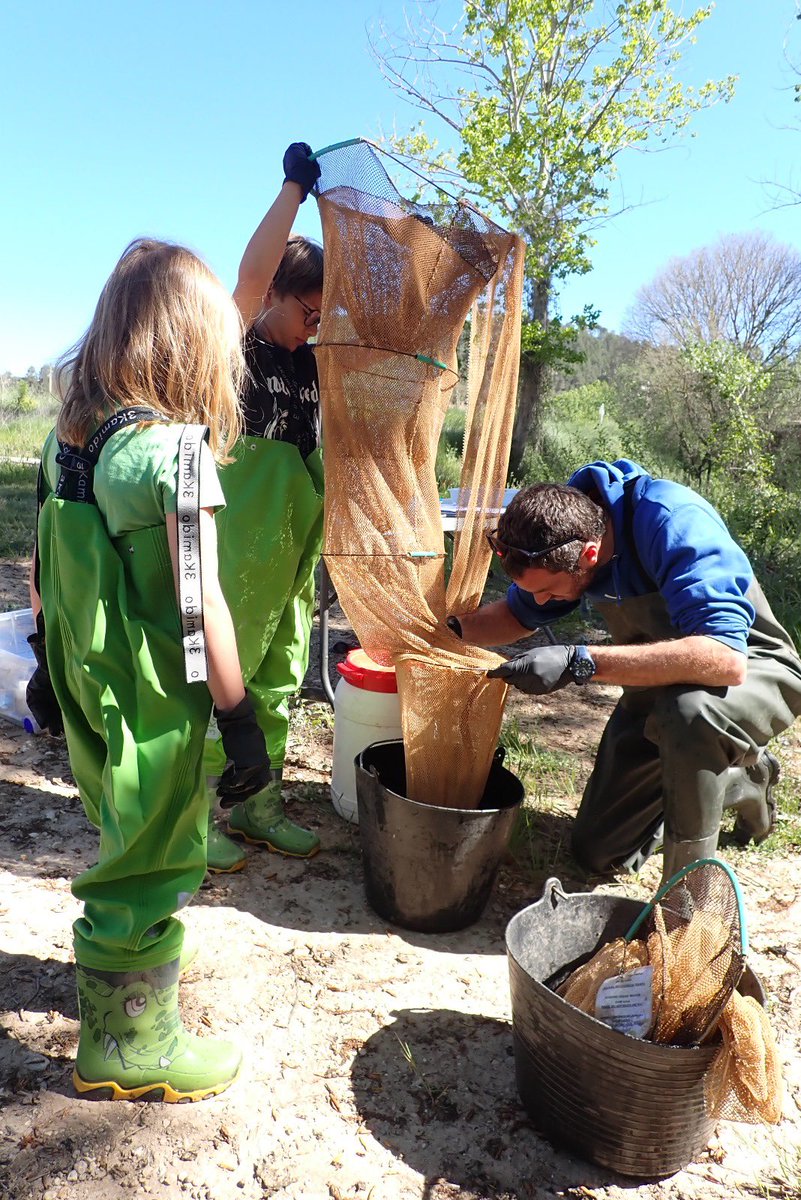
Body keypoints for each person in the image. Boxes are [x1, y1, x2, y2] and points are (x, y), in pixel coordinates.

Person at [29, 239, 271, 1101]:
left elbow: (41, 561)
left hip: (85, 680)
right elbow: (203, 606)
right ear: (192, 345)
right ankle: (127, 1051)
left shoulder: (67, 442)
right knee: (154, 852)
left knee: (118, 827)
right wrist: (241, 723)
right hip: (154, 693)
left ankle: (120, 1012)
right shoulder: (175, 453)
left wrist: (41, 671)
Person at [451, 458, 801, 882]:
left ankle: (689, 896)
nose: (541, 604)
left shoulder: (672, 523)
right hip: (658, 687)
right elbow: (516, 612)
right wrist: (447, 633)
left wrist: (580, 660)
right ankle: (735, 780)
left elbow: (725, 658)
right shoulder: (564, 529)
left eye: (546, 591)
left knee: (691, 713)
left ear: (590, 555)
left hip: (756, 669)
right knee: (600, 853)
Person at [203, 141, 325, 872]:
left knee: (281, 671)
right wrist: (294, 191)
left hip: (290, 540)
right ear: (278, 294)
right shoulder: (230, 345)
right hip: (234, 535)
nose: (317, 319)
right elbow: (248, 274)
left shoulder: (315, 359)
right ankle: (191, 812)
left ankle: (257, 802)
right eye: (308, 306)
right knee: (218, 675)